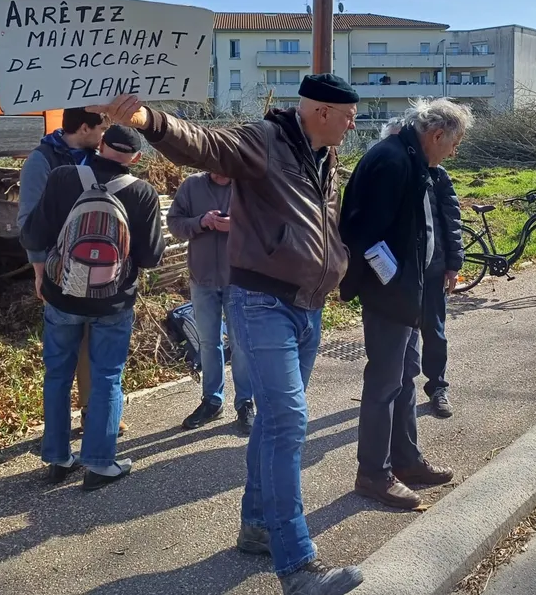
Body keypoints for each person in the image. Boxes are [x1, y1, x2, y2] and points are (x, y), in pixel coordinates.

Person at [91, 76, 364, 595]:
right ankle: (297, 567)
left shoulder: (324, 158)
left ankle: (259, 526)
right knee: (288, 423)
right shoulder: (265, 140)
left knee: (271, 424)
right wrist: (147, 120)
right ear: (324, 111)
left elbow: (325, 225)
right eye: (349, 114)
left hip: (308, 306)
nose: (354, 123)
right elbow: (205, 143)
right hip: (263, 302)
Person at [339, 98, 469, 510]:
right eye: (454, 143)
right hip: (391, 295)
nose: (454, 152)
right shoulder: (392, 161)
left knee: (405, 376)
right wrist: (395, 284)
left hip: (410, 291)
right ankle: (373, 474)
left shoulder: (413, 159)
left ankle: (406, 461)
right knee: (384, 383)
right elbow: (362, 235)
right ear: (436, 134)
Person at [21, 125, 166, 490]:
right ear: (136, 158)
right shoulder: (143, 193)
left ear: (99, 146)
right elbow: (150, 258)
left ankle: (56, 457)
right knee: (106, 377)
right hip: (112, 301)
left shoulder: (63, 176)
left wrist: (44, 270)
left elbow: (34, 235)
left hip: (62, 294)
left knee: (57, 374)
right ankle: (100, 463)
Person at [17, 108, 108, 433]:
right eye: (102, 126)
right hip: (58, 265)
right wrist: (39, 270)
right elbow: (28, 219)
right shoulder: (41, 161)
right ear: (84, 127)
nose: (105, 133)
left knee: (91, 342)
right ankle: (56, 431)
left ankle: (90, 413)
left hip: (94, 263)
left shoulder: (97, 156)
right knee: (60, 352)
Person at [376, 118, 462, 417]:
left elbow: (451, 221)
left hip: (434, 268)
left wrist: (454, 264)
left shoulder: (438, 175)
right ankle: (399, 391)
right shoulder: (387, 172)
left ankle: (438, 387)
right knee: (401, 337)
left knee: (434, 332)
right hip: (398, 275)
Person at [166, 171, 255, 434]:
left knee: (240, 343)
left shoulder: (248, 186)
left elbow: (266, 226)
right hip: (202, 277)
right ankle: (212, 401)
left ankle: (245, 402)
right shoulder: (192, 185)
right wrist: (201, 222)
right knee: (207, 342)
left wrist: (237, 224)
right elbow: (174, 223)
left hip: (238, 278)